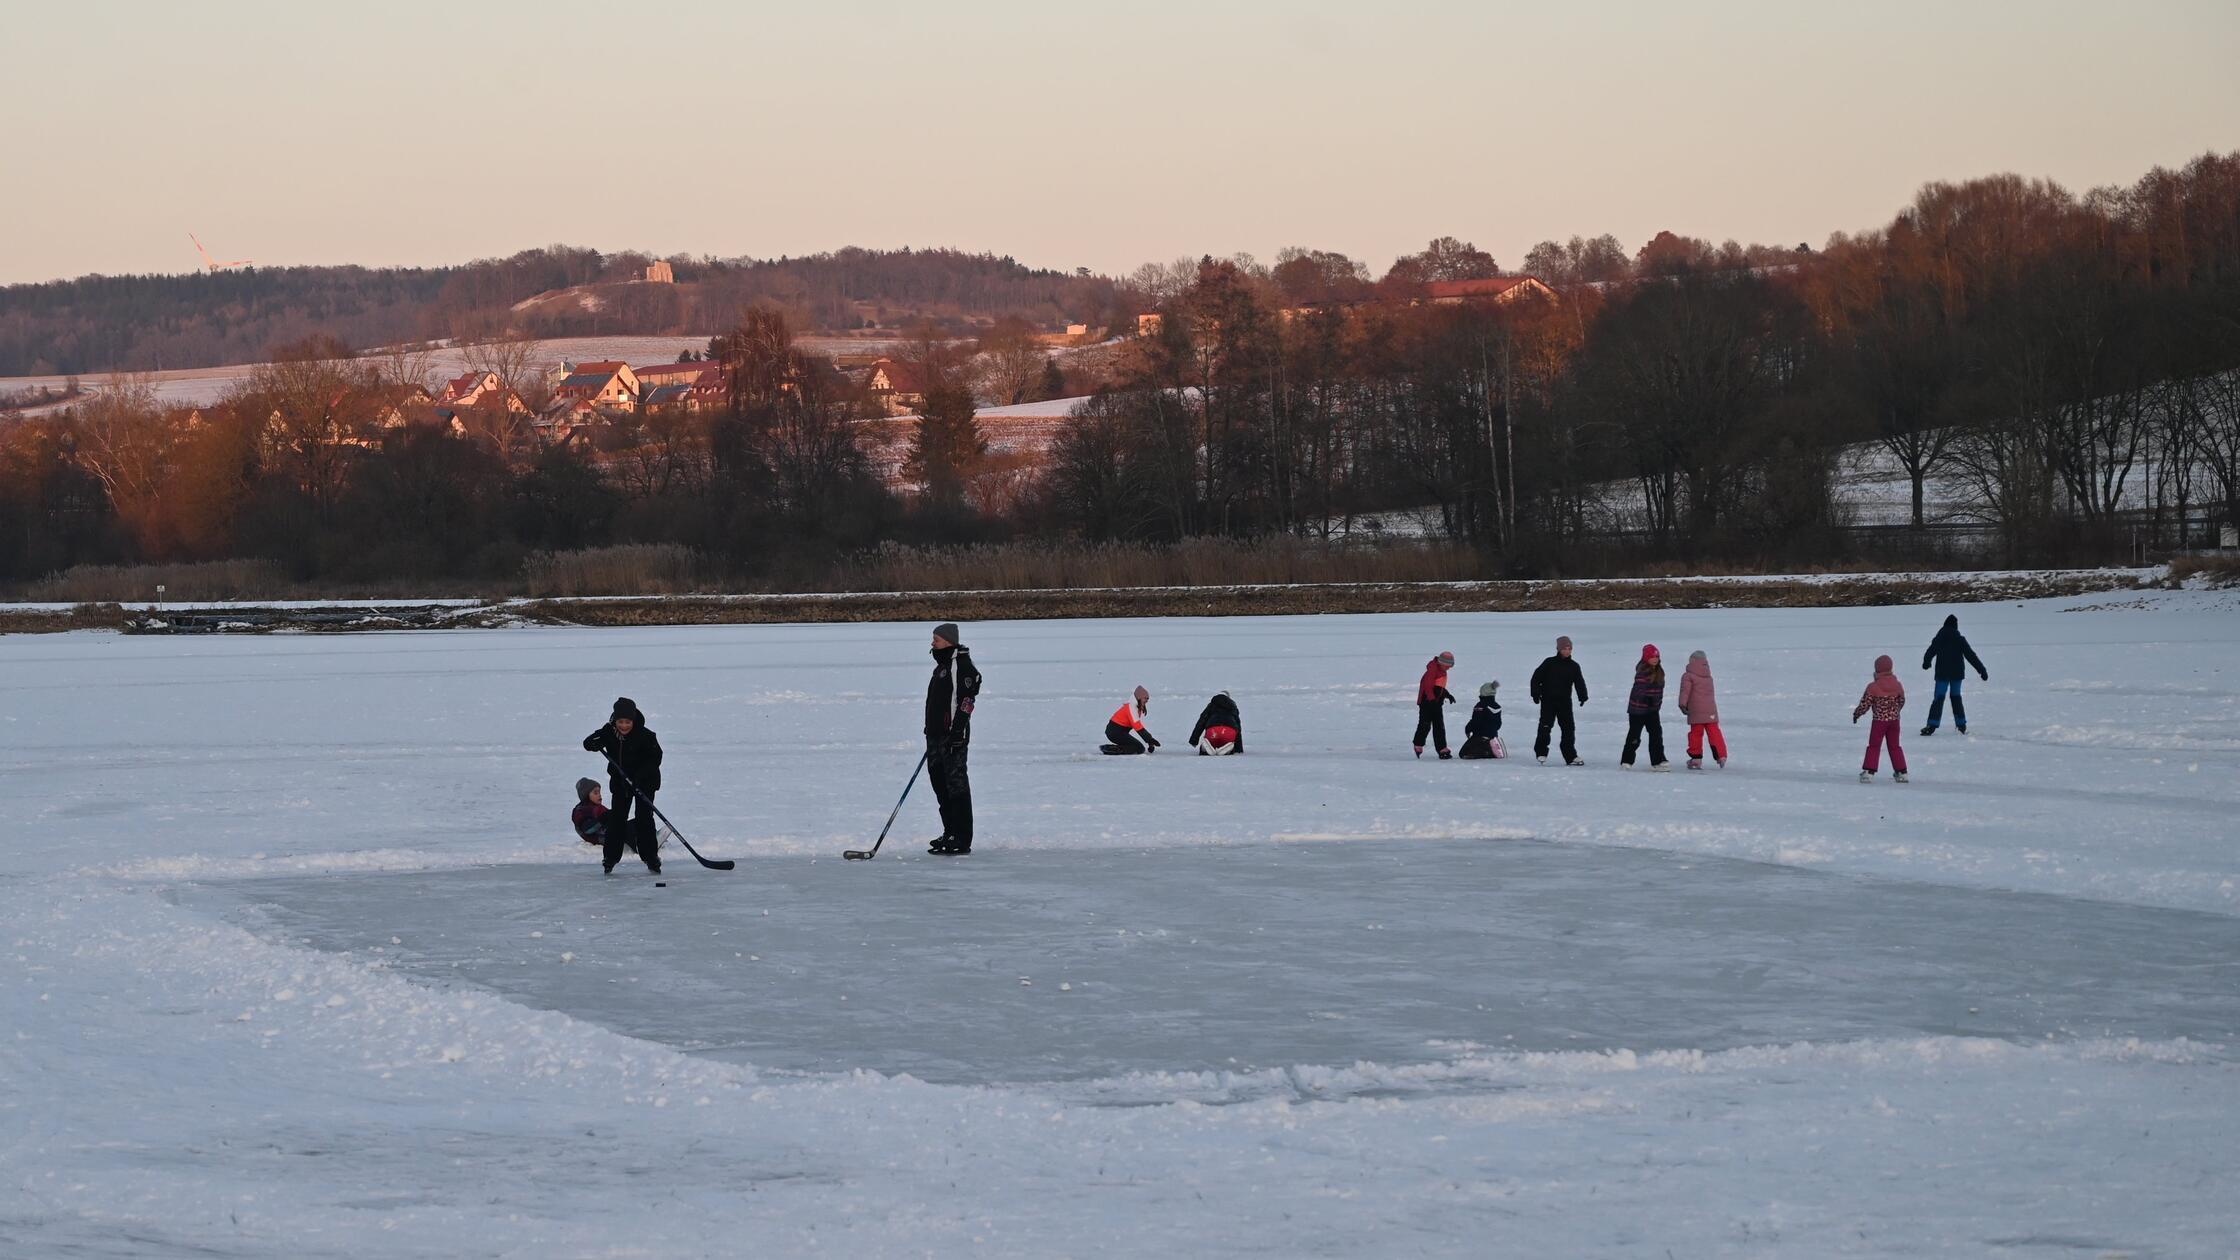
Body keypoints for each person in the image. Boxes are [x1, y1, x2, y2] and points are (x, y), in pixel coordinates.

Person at [582, 697, 662, 875]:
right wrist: (591, 744)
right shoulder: (609, 731)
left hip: (645, 781)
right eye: (620, 722)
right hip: (621, 781)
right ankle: (610, 858)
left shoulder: (646, 735)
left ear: (633, 720)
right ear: (614, 720)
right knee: (617, 818)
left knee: (644, 818)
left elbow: (656, 758)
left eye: (627, 722)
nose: (624, 726)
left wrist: (639, 777)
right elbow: (591, 741)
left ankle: (651, 858)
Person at [925, 622, 981, 855]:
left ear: (948, 642)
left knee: (956, 785)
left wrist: (957, 731)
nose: (932, 644)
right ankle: (949, 831)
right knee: (940, 784)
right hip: (935, 737)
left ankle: (961, 837)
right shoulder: (941, 667)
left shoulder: (961, 665)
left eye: (936, 640)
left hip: (953, 738)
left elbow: (967, 701)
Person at [1919, 613, 1989, 735]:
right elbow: (1971, 656)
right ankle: (1961, 725)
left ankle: (1931, 725)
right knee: (1956, 697)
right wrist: (1982, 670)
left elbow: (1930, 651)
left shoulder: (1940, 638)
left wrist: (1926, 662)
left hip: (1942, 674)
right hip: (1957, 675)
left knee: (1938, 698)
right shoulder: (1960, 639)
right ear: (1956, 627)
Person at [1530, 636, 1589, 765]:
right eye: (1564, 649)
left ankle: (1570, 756)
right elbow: (1536, 678)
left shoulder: (1574, 666)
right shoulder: (1549, 663)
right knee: (1545, 727)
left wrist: (1582, 695)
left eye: (1569, 648)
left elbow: (1579, 681)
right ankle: (1541, 752)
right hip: (1548, 701)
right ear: (1559, 649)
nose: (1567, 651)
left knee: (1568, 729)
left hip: (1565, 702)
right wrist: (1535, 693)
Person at [1853, 654, 1909, 783]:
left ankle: (1869, 771)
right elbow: (1902, 700)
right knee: (1895, 746)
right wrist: (1895, 711)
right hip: (1895, 721)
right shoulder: (1898, 685)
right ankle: (1902, 772)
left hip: (1879, 722)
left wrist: (1857, 714)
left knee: (1874, 745)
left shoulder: (1873, 687)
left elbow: (1865, 704)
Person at [1620, 644, 1670, 770]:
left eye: (1657, 657)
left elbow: (1660, 691)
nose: (1655, 659)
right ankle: (1626, 760)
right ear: (1646, 658)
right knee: (1634, 735)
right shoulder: (1642, 671)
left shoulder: (1660, 671)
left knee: (1656, 734)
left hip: (1652, 709)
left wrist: (1656, 703)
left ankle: (1658, 760)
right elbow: (1638, 690)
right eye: (1652, 657)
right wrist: (1647, 698)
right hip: (1638, 709)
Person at [1676, 649, 1726, 770]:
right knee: (1714, 732)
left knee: (1696, 734)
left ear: (1692, 661)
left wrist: (1682, 704)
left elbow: (1685, 691)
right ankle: (1721, 756)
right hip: (1711, 710)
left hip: (1696, 710)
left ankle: (1696, 758)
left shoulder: (1688, 676)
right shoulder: (1708, 676)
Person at [1414, 651, 1457, 759]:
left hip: (1436, 702)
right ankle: (1418, 744)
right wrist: (1432, 700)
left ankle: (1442, 749)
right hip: (1426, 702)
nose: (1449, 668)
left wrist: (1448, 695)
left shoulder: (1442, 670)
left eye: (1450, 666)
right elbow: (1428, 687)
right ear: (1442, 663)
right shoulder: (1432, 670)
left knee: (1439, 726)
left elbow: (1439, 687)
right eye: (1448, 666)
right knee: (1425, 725)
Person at [1103, 685, 1160, 755]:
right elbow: (1137, 726)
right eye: (1145, 698)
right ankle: (1111, 749)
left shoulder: (1135, 707)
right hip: (1114, 732)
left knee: (1137, 747)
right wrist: (1149, 740)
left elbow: (1138, 726)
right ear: (1139, 698)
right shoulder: (1131, 707)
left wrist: (1150, 741)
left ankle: (1112, 748)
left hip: (1118, 732)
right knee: (1139, 748)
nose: (1147, 701)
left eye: (1148, 699)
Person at [1458, 681, 1505, 759]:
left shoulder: (1480, 706)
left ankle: (1484, 751)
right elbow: (1498, 724)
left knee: (1463, 753)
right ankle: (1489, 747)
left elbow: (1475, 721)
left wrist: (1468, 729)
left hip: (1479, 736)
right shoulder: (1497, 707)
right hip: (1493, 735)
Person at [1187, 691, 1243, 755]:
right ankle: (1228, 748)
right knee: (1227, 740)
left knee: (1212, 740)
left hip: (1213, 731)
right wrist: (1239, 749)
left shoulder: (1211, 705)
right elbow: (1238, 728)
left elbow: (1201, 722)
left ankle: (1207, 748)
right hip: (1229, 732)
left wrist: (1194, 740)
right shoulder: (1233, 708)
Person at [571, 778, 608, 847]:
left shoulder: (599, 807)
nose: (599, 795)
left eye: (599, 792)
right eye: (595, 793)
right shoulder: (582, 811)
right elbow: (588, 829)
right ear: (586, 795)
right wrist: (603, 819)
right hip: (599, 838)